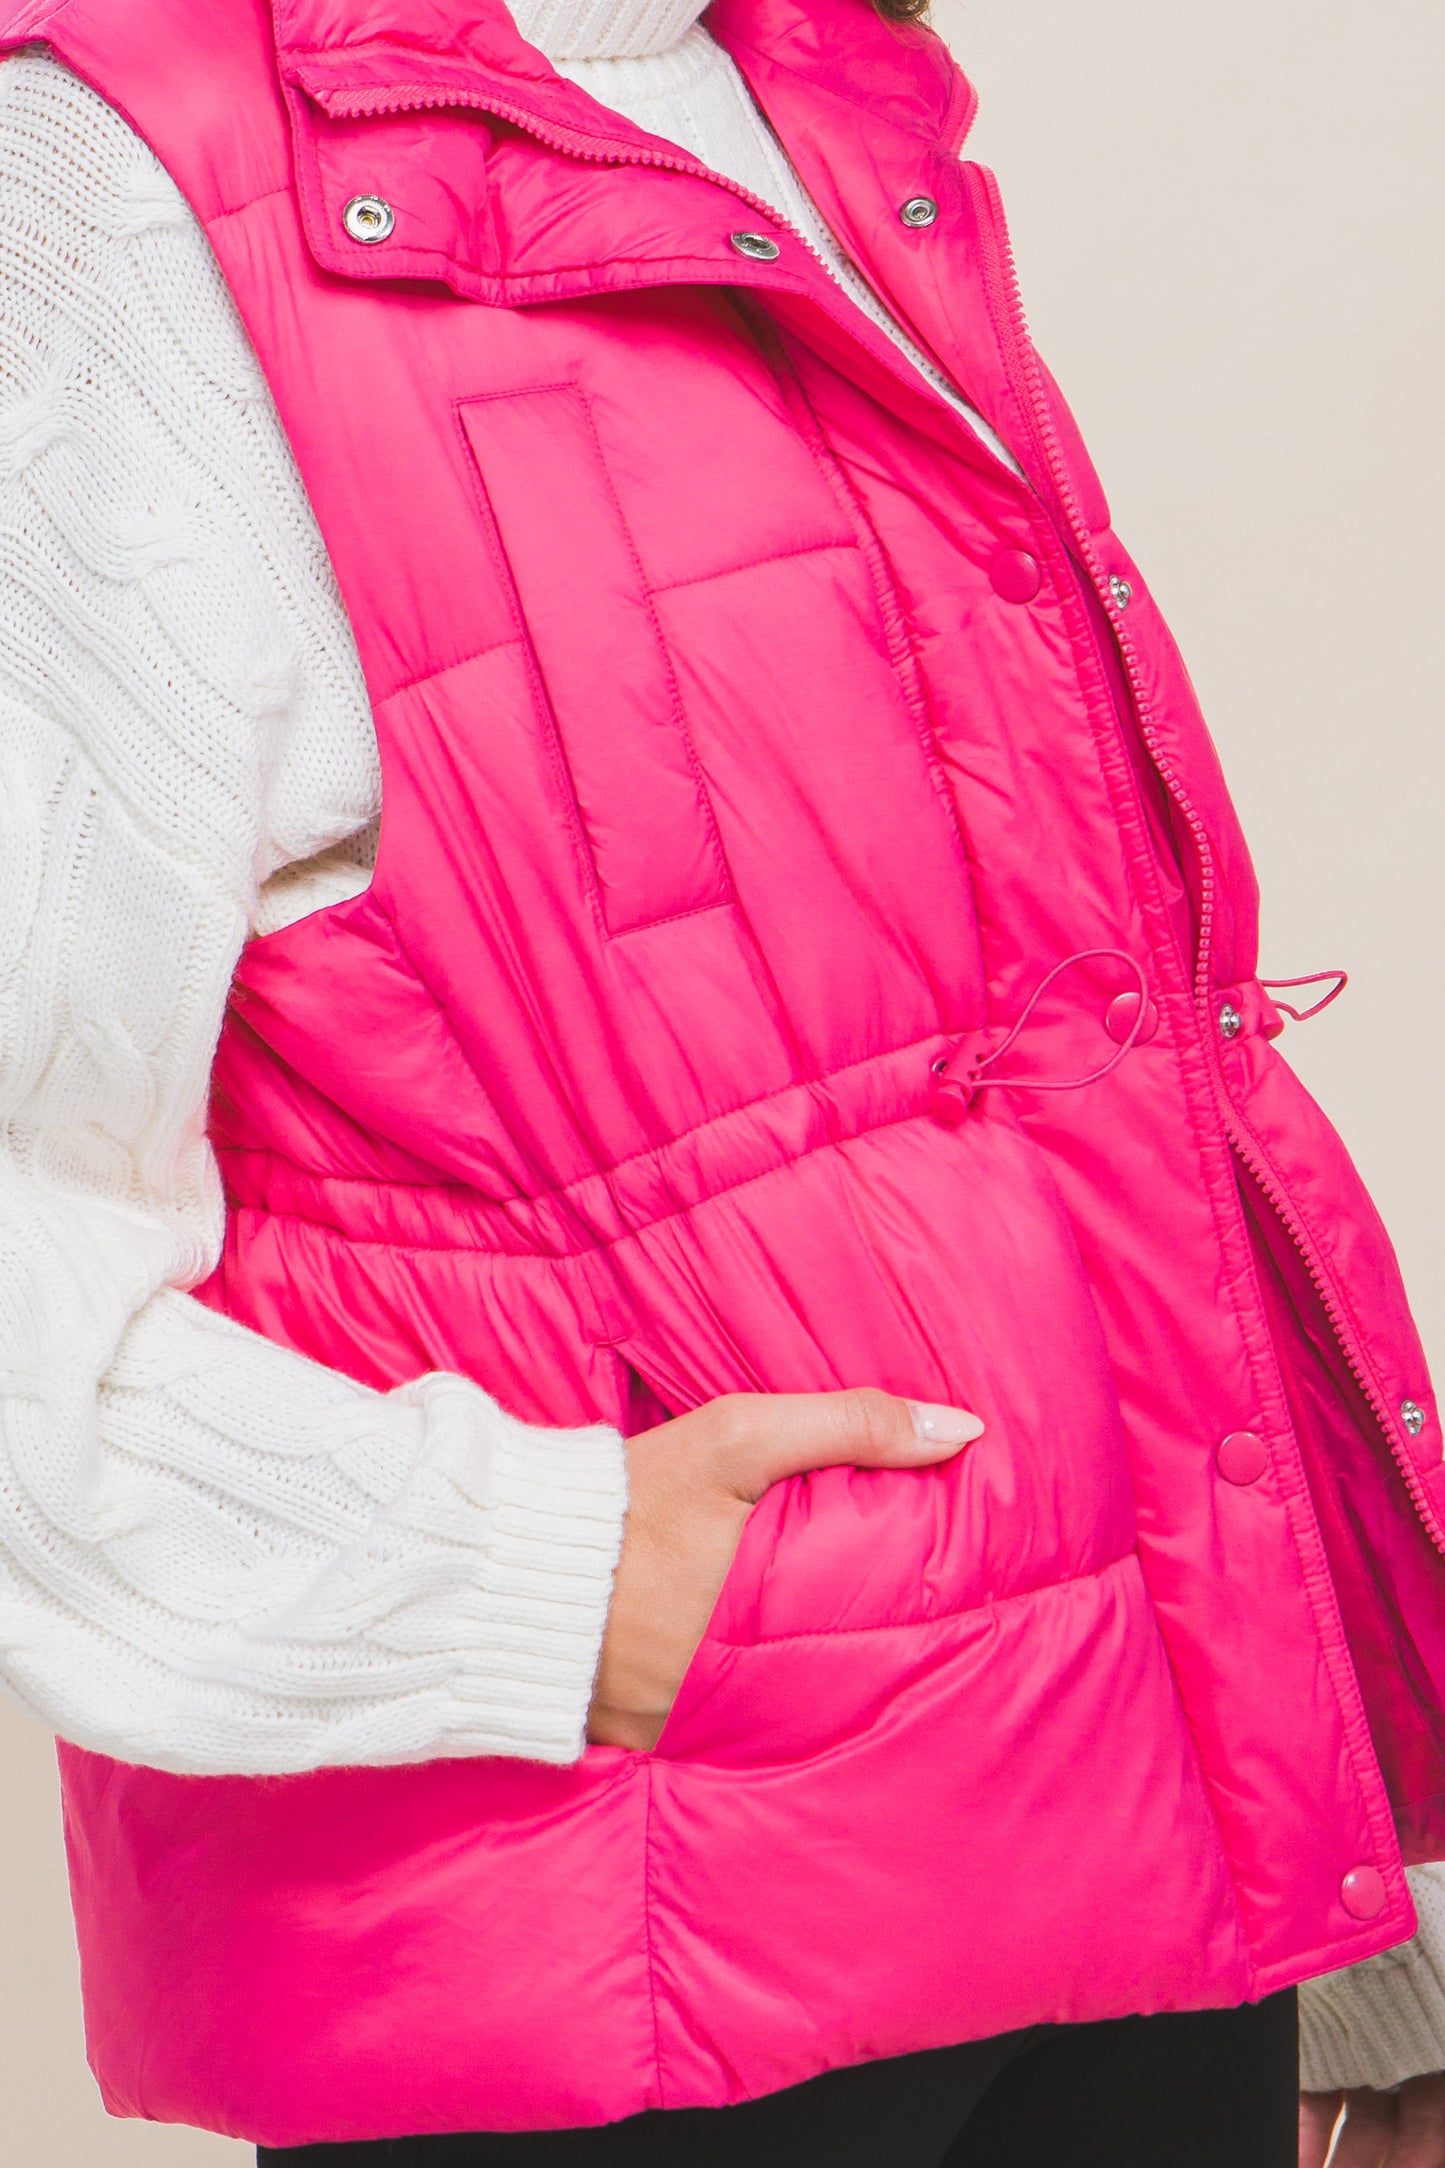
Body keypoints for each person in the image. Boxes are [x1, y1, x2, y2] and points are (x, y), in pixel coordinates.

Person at [0, 0, 1440, 2161]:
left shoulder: (816, 98)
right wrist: (527, 1580)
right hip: (605, 1938)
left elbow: (1120, 1075)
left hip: (1151, 1896)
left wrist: (1359, 1899)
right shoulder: (112, 183)